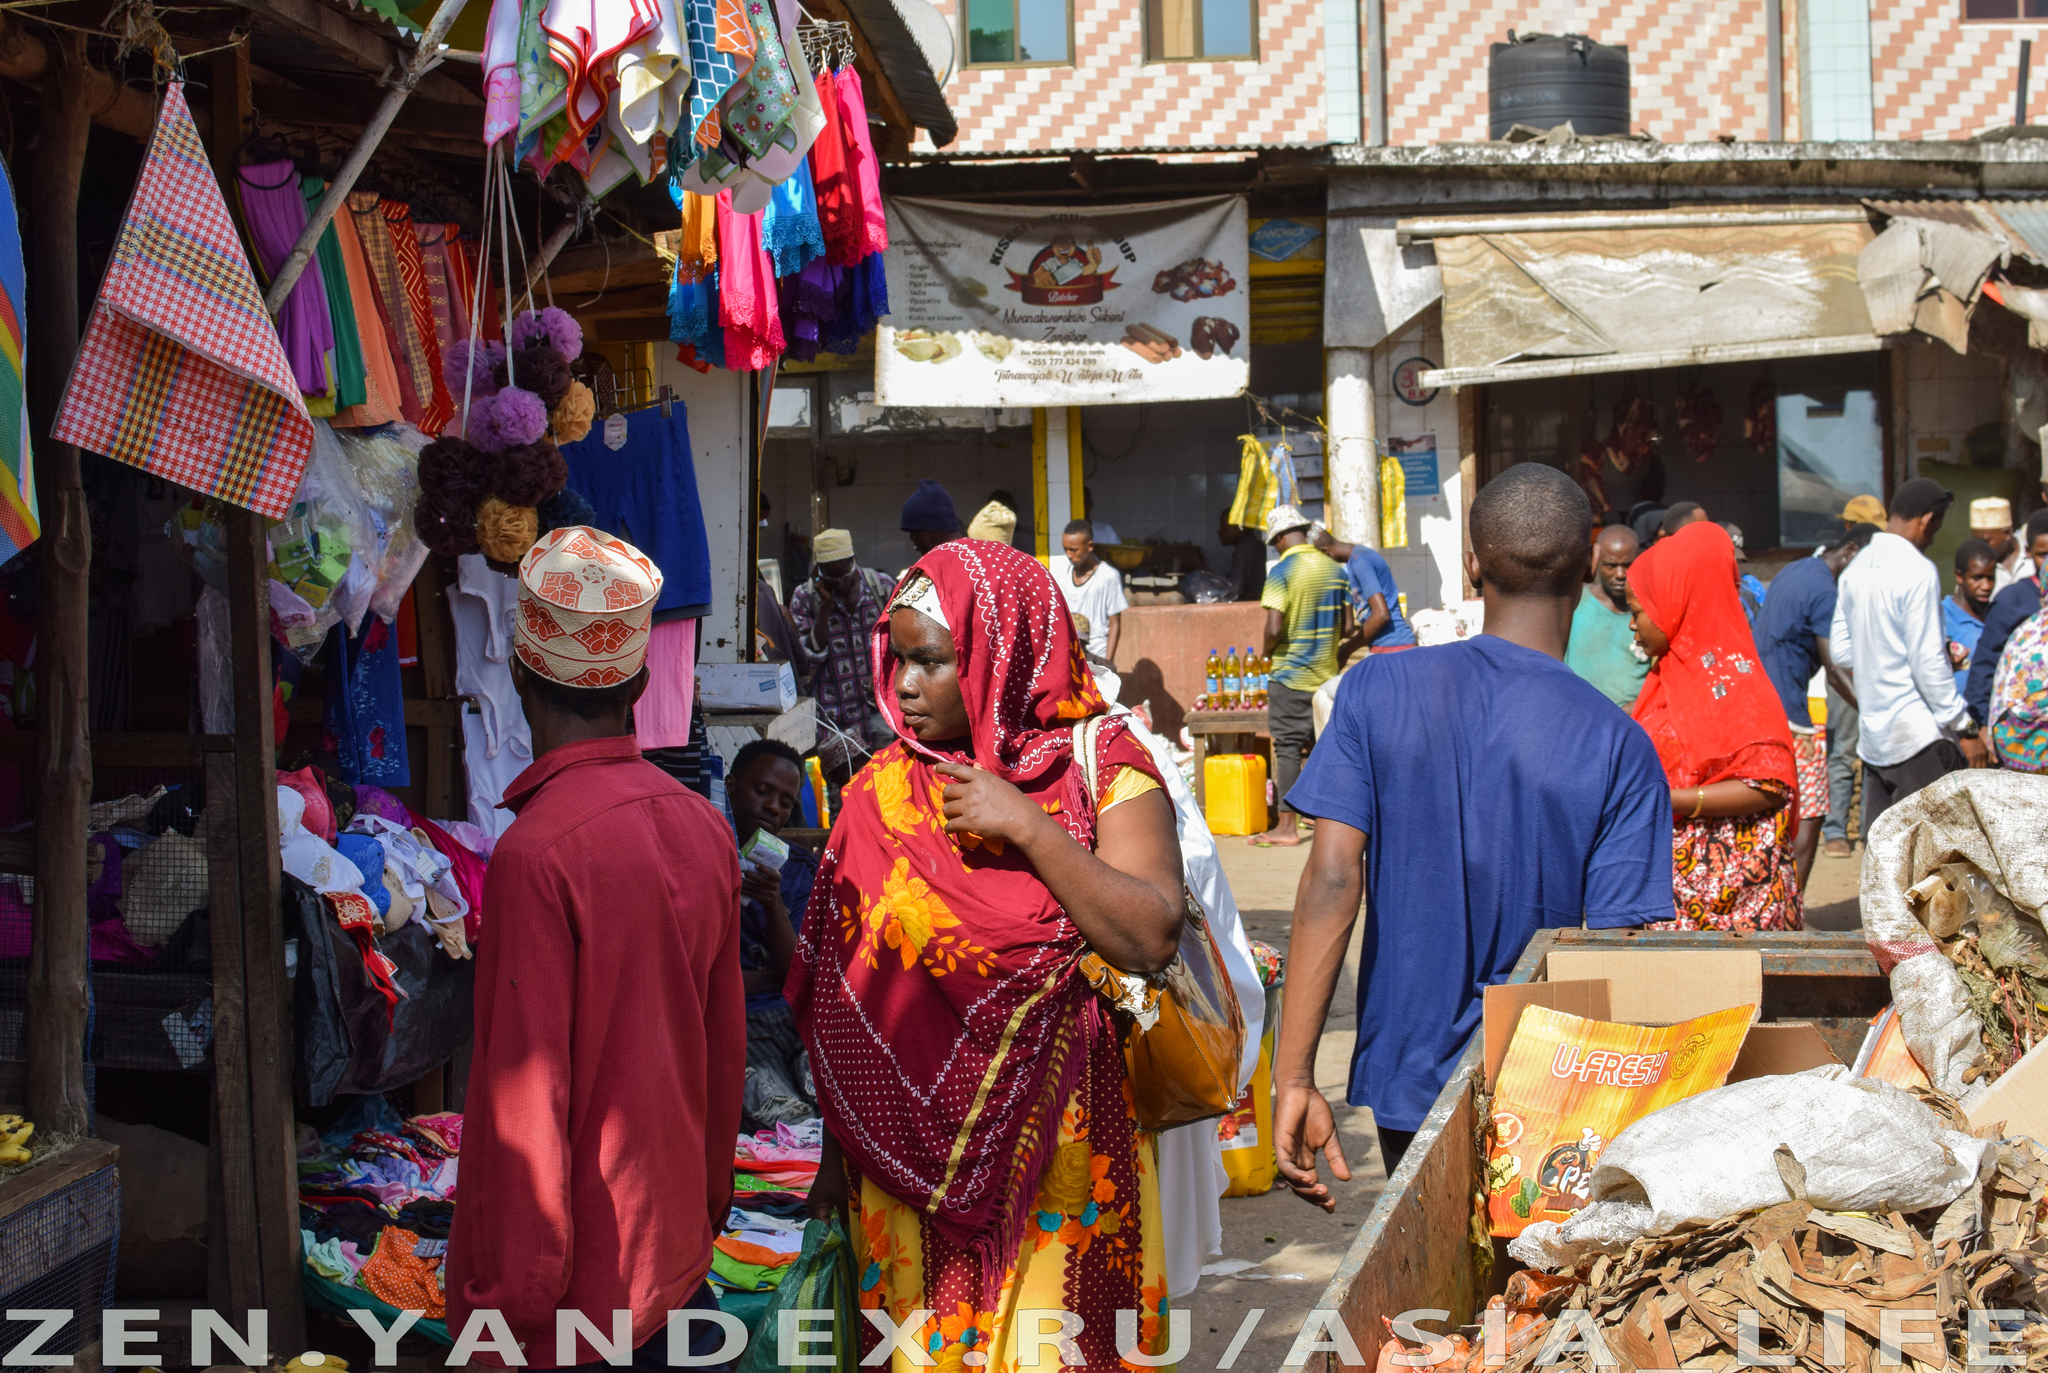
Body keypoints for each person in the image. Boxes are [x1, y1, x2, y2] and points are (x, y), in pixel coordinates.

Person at [789, 540, 1185, 1368]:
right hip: (903, 1174)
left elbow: (1151, 931)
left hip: (1065, 1146)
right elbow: (843, 1006)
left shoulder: (1098, 767)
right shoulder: (880, 797)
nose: (902, 684)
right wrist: (836, 1156)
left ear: (1002, 655)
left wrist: (1028, 826)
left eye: (930, 660)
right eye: (893, 657)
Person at [1273, 464, 1670, 1195]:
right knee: (1529, 1301)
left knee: (1431, 1293)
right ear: (1587, 568)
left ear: (1471, 562)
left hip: (1408, 1077)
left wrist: (1294, 1075)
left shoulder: (1374, 688)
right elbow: (1620, 954)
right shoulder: (1620, 744)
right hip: (1549, 1084)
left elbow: (1331, 879)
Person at [447, 527, 743, 1370]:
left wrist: (499, 1315)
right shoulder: (701, 825)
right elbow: (723, 1057)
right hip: (675, 1264)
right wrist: (705, 1211)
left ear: (518, 670)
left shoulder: (536, 853)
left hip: (579, 1304)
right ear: (642, 683)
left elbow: (523, 1106)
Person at [1628, 521, 1803, 930]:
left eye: (1638, 612)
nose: (1633, 625)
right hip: (1671, 899)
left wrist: (1677, 801)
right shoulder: (1665, 679)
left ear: (1675, 602)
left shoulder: (1736, 685)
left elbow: (1769, 786)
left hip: (1738, 906)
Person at [1829, 478, 1988, 832]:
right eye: (1936, 529)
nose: (1931, 539)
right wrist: (1965, 726)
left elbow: (1840, 651)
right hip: (1918, 741)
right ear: (1928, 519)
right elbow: (1928, 661)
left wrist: (1881, 652)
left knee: (1888, 865)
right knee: (1934, 868)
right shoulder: (1918, 570)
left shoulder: (1856, 568)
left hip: (1875, 743)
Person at [1752, 524, 1872, 888]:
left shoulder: (1798, 568)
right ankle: (1792, 908)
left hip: (1762, 703)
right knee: (1812, 811)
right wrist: (1872, 710)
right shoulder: (1825, 591)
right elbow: (1835, 671)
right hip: (1791, 716)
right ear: (1850, 551)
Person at [730, 737, 820, 1131]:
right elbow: (703, 980)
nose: (773, 807)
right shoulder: (698, 857)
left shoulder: (798, 869)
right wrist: (774, 979)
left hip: (795, 1019)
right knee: (786, 1119)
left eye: (785, 801)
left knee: (830, 1100)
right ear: (731, 787)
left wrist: (772, 903)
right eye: (762, 791)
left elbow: (797, 973)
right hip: (741, 1023)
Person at [1254, 503, 1349, 847]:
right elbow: (1349, 625)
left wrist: (1266, 651)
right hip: (1327, 677)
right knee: (1327, 749)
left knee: (1289, 749)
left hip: (1290, 675)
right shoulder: (1335, 569)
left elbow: (1273, 627)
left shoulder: (1281, 572)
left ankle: (1287, 827)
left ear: (1279, 539)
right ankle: (1330, 823)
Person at [1821, 494, 1888, 859]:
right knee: (1845, 750)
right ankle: (1835, 829)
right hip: (1845, 672)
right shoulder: (1837, 568)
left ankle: (1869, 831)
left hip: (1877, 671)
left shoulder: (1886, 567)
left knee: (1875, 752)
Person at [1966, 510, 2048, 729]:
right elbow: (1985, 666)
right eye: (2043, 554)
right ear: (2028, 552)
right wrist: (1983, 725)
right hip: (2024, 733)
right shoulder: (2012, 601)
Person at [1564, 524, 1650, 709]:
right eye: (1611, 565)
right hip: (1584, 714)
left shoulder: (1650, 613)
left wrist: (1639, 706)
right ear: (1596, 562)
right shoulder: (1575, 605)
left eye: (1627, 565)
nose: (1620, 574)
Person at [1051, 518, 1130, 704]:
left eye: (1074, 550)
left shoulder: (1108, 576)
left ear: (1090, 546)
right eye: (1065, 549)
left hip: (1097, 657)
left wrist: (1108, 664)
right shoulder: (1062, 574)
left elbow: (1115, 623)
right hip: (1070, 656)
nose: (1069, 555)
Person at [1313, 524, 1417, 653]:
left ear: (1325, 552)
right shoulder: (1354, 561)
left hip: (1393, 646)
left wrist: (1347, 649)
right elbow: (1349, 627)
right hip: (1385, 645)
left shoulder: (1360, 562)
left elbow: (1381, 614)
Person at [1946, 538, 1997, 696]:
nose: (1986, 586)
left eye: (1991, 578)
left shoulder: (1997, 617)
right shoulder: (1941, 617)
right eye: (1977, 577)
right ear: (1959, 576)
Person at [1970, 497, 2025, 594]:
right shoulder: (1974, 567)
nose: (1981, 547)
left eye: (1986, 541)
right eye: (1977, 541)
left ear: (2007, 533)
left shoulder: (2034, 555)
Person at [902, 478, 963, 555]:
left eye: (916, 531)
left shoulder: (970, 563)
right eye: (911, 532)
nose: (912, 537)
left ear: (939, 529)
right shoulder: (929, 564)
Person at [1218, 506, 1267, 602]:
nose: (1219, 532)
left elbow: (1233, 592)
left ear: (1241, 528)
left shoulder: (1246, 549)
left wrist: (1199, 565)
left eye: (1224, 528)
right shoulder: (1249, 546)